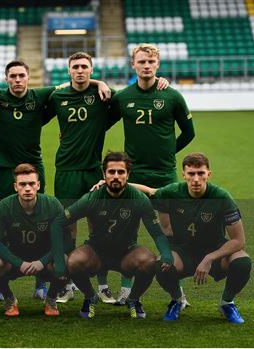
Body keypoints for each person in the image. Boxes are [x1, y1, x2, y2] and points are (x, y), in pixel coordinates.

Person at [0, 59, 111, 301]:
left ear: (28, 77)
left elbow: (75, 82)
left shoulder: (41, 95)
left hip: (34, 170)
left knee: (41, 223)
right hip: (4, 169)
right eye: (12, 76)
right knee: (3, 223)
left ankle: (41, 283)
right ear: (6, 79)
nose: (17, 80)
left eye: (21, 75)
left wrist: (99, 82)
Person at [47, 51, 169, 303]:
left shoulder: (103, 96)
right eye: (75, 67)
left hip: (92, 167)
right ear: (68, 70)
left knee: (97, 225)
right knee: (68, 228)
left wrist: (100, 84)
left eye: (84, 67)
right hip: (65, 170)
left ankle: (102, 285)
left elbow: (127, 95)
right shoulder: (56, 95)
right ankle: (67, 284)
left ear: (91, 70)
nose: (80, 70)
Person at [107, 43, 195, 305]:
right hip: (134, 175)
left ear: (157, 65)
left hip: (165, 173)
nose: (146, 66)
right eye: (141, 61)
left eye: (151, 62)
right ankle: (125, 288)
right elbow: (100, 122)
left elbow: (189, 133)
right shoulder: (122, 97)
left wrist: (169, 152)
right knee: (127, 229)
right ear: (133, 64)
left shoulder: (173, 96)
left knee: (169, 231)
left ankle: (177, 294)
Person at [132, 153, 251, 323]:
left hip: (215, 248)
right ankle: (177, 300)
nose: (196, 179)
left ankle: (227, 303)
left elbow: (239, 241)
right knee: (162, 265)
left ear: (208, 174)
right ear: (184, 175)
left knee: (242, 262)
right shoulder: (173, 191)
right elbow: (150, 192)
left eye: (200, 173)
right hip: (183, 250)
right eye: (191, 174)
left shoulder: (222, 197)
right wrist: (112, 183)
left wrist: (210, 257)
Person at [65, 151, 173, 319]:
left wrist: (166, 254)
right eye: (111, 172)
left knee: (149, 261)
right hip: (96, 253)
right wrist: (58, 255)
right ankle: (90, 297)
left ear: (128, 174)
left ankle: (134, 299)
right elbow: (61, 220)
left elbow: (157, 233)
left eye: (121, 172)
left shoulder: (139, 199)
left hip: (126, 253)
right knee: (73, 261)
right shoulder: (92, 197)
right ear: (104, 174)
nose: (116, 176)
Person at [0, 163, 68, 317]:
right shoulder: (5, 206)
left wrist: (42, 261)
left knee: (64, 261)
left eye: (31, 184)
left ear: (38, 185)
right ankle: (9, 299)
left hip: (44, 261)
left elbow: (65, 241)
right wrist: (19, 263)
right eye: (22, 184)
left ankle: (51, 299)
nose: (27, 188)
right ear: (15, 187)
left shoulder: (52, 205)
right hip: (14, 262)